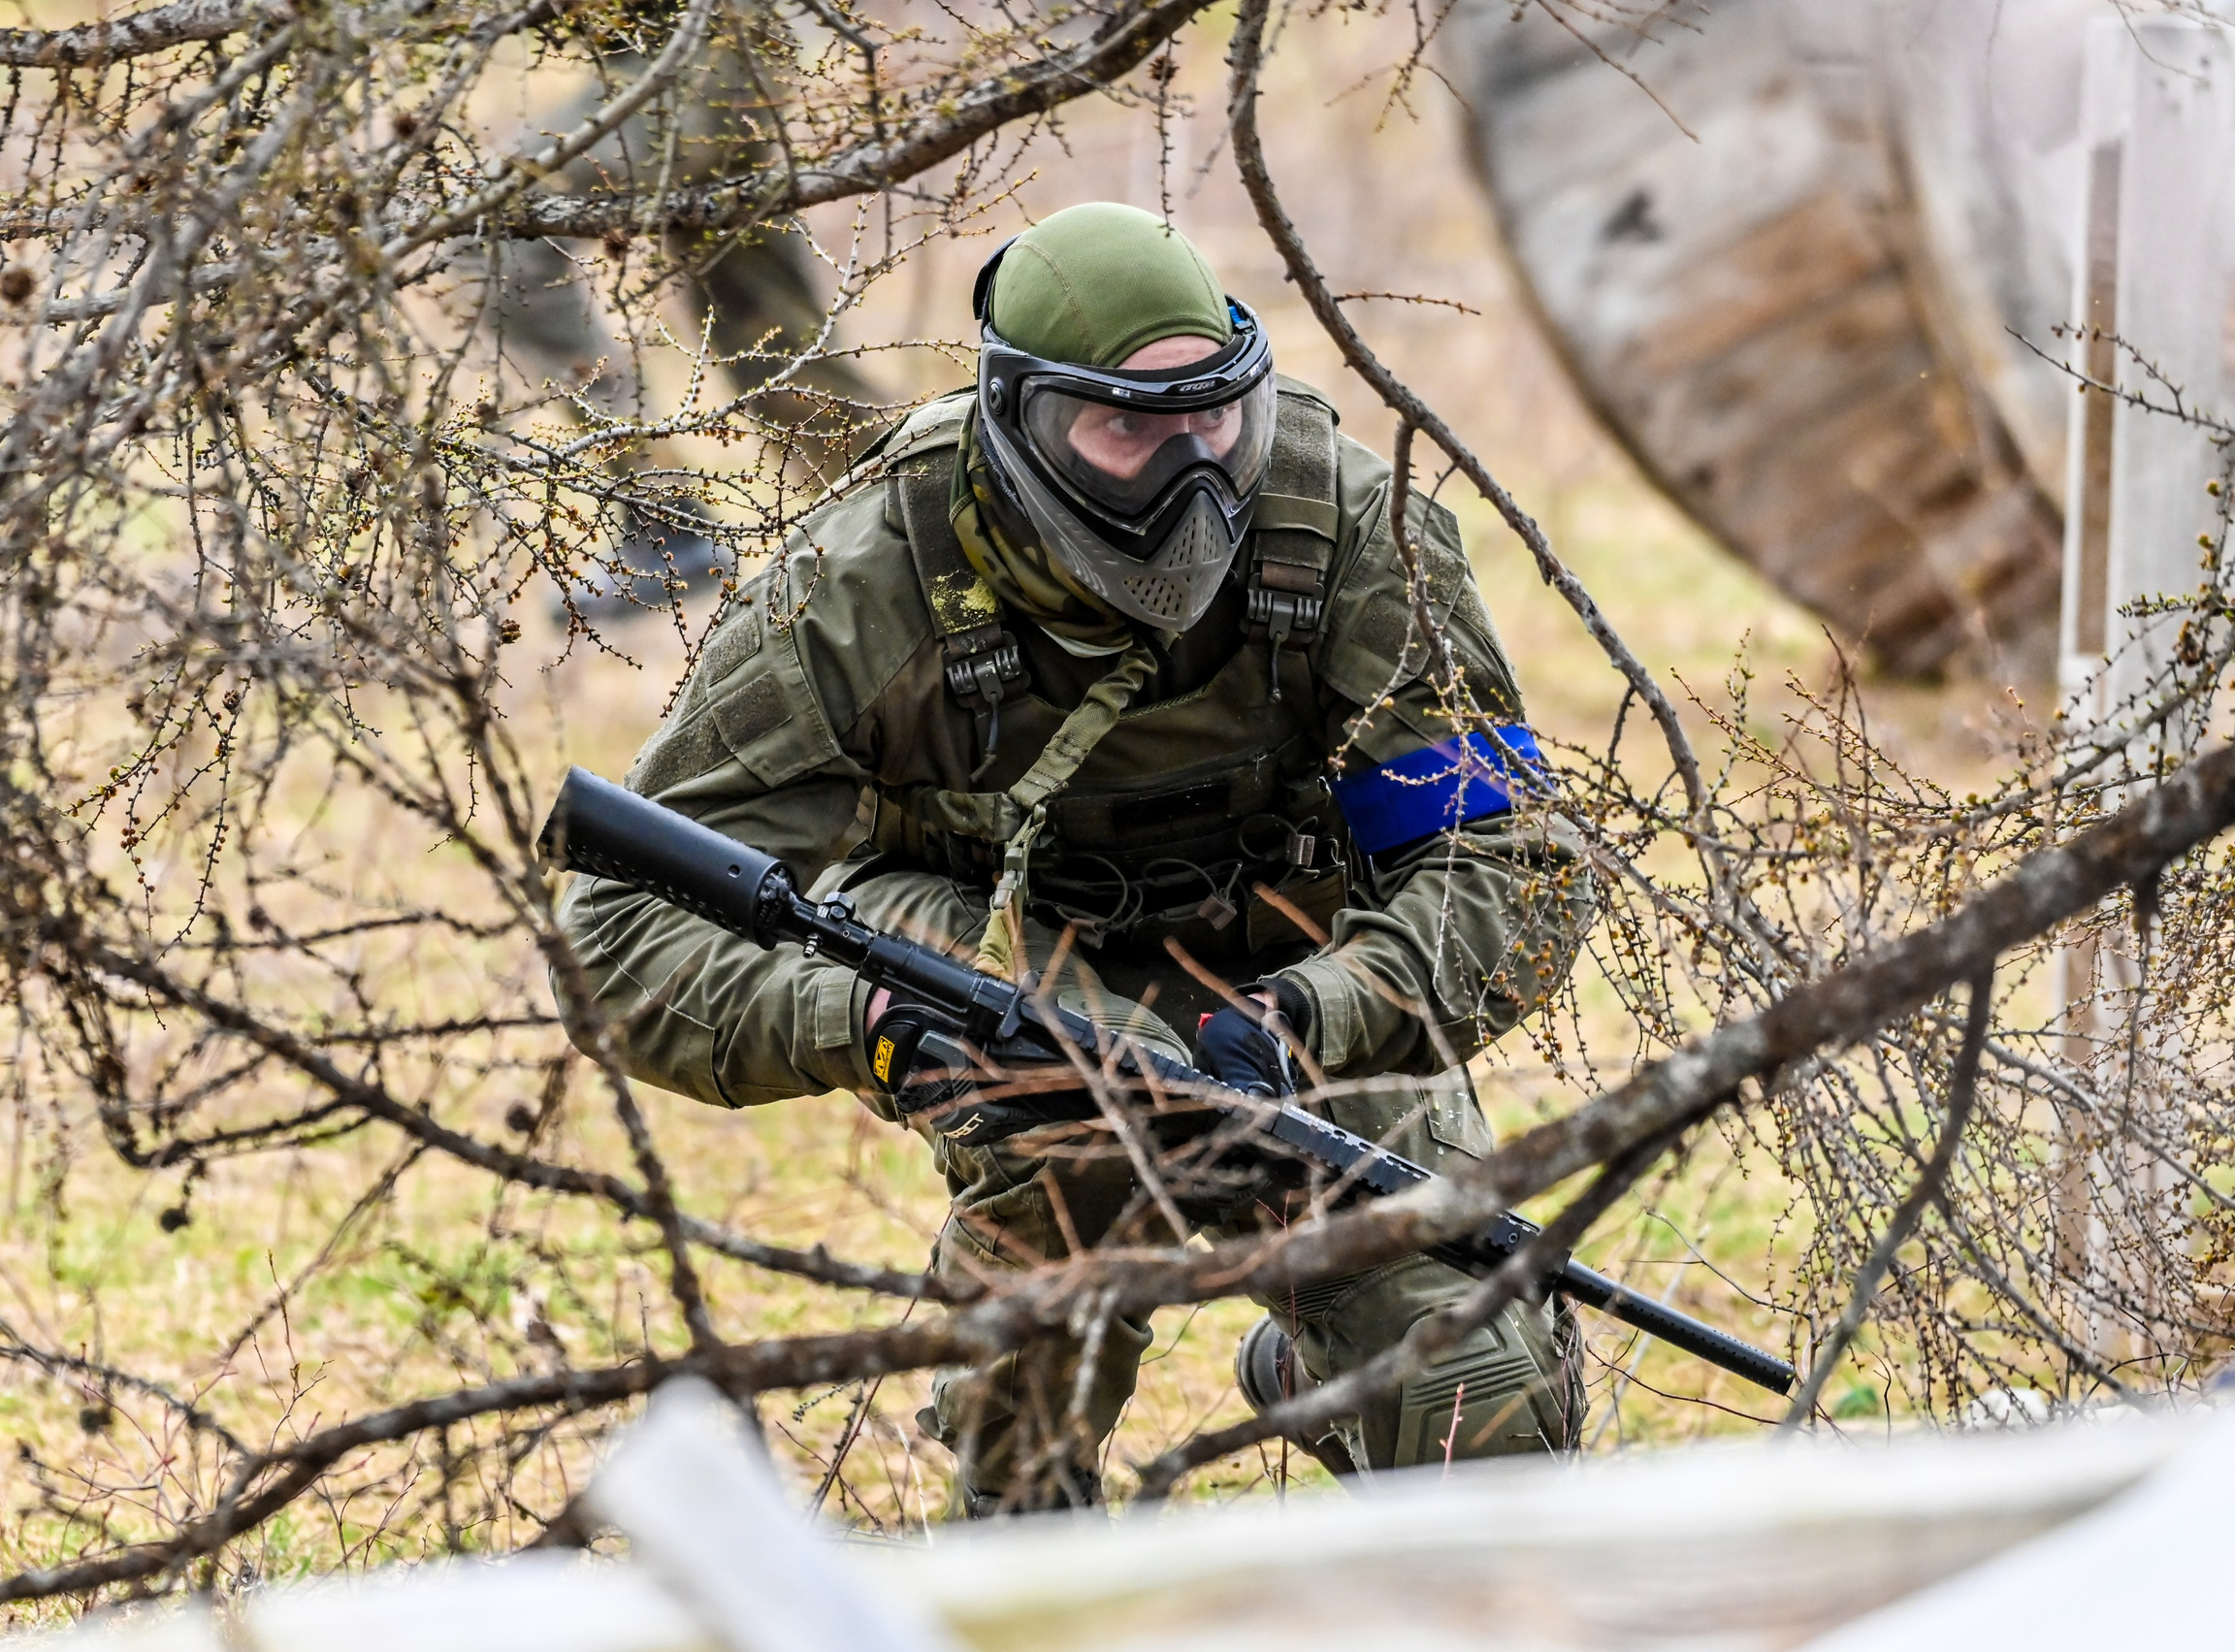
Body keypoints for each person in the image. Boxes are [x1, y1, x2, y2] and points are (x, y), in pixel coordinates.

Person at [553, 203, 1594, 1512]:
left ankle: (1313, 1366)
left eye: (1215, 421)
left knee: (1483, 1413)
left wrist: (1308, 1023)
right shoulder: (869, 572)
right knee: (1028, 1491)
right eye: (1129, 433)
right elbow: (626, 933)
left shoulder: (1340, 524)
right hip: (999, 972)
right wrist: (873, 1023)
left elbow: (1510, 857)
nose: (1192, 477)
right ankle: (1018, 1470)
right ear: (1023, 422)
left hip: (1293, 972)